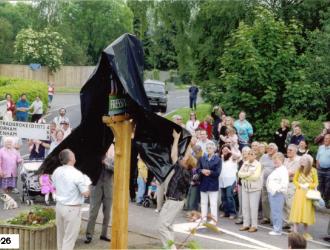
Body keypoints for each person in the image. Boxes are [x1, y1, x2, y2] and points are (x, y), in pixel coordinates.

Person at [158, 130, 196, 249]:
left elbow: (174, 155)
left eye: (185, 158)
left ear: (186, 163)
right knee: (168, 226)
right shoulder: (187, 170)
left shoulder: (182, 170)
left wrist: (176, 139)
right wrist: (189, 145)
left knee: (162, 226)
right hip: (176, 201)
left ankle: (170, 248)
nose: (183, 158)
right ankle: (170, 246)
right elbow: (185, 156)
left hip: (173, 201)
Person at [52, 149, 91, 250]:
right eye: (73, 155)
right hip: (72, 208)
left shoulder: (56, 171)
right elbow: (86, 193)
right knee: (69, 240)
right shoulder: (77, 174)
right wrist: (88, 183)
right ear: (71, 159)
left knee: (60, 237)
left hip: (59, 206)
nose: (75, 156)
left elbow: (54, 186)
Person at [85, 145, 114, 243]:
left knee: (107, 214)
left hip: (108, 189)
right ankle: (89, 235)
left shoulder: (111, 160)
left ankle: (104, 234)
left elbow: (116, 169)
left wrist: (106, 163)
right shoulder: (94, 160)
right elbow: (88, 172)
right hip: (96, 188)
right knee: (93, 212)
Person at [289, 154, 318, 240]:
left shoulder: (313, 170)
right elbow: (294, 180)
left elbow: (316, 183)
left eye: (304, 160)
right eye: (301, 159)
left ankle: (305, 233)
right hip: (299, 193)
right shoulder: (299, 170)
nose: (302, 161)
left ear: (309, 161)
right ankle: (295, 231)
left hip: (308, 194)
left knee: (306, 213)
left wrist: (308, 185)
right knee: (297, 211)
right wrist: (299, 185)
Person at [196, 141, 221, 225]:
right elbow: (197, 169)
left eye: (210, 148)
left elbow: (217, 173)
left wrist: (209, 172)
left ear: (214, 149)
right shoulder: (202, 158)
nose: (208, 149)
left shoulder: (218, 159)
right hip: (203, 183)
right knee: (203, 202)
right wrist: (202, 171)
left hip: (213, 184)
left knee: (213, 203)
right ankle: (203, 218)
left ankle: (214, 220)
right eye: (207, 148)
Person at [238, 149, 262, 232]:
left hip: (254, 189)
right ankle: (246, 224)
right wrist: (248, 174)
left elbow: (255, 177)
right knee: (245, 207)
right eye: (249, 154)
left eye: (252, 154)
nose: (250, 155)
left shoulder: (258, 164)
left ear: (255, 156)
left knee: (253, 207)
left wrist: (245, 176)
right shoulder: (245, 163)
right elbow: (239, 174)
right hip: (245, 188)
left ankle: (254, 225)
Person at [267, 152, 289, 236]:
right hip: (273, 193)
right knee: (275, 211)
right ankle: (276, 228)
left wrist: (276, 190)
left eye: (278, 159)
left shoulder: (283, 170)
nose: (275, 161)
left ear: (282, 160)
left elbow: (284, 184)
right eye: (274, 159)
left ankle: (277, 230)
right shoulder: (277, 169)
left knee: (277, 212)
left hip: (277, 194)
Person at [219, 144, 240, 219]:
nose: (225, 150)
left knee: (229, 196)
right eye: (223, 149)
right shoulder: (221, 158)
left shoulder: (232, 158)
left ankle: (233, 213)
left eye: (226, 149)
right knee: (223, 197)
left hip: (231, 180)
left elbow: (238, 156)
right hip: (222, 180)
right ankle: (226, 212)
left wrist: (230, 151)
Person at [283, 144, 301, 230]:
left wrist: (284, 173)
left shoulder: (298, 160)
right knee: (285, 204)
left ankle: (293, 225)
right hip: (284, 183)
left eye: (290, 150)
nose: (288, 151)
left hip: (292, 183)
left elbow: (292, 172)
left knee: (291, 205)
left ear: (295, 151)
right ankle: (287, 222)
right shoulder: (286, 160)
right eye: (288, 150)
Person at [259, 143, 278, 224]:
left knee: (273, 200)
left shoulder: (278, 157)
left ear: (276, 150)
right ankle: (266, 217)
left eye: (271, 148)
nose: (269, 149)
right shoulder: (264, 156)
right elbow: (260, 166)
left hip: (274, 183)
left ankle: (273, 218)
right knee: (264, 200)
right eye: (268, 148)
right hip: (264, 181)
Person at [235, 147, 251, 225]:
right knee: (241, 202)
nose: (244, 153)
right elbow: (237, 173)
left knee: (248, 202)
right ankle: (241, 217)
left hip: (248, 184)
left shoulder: (251, 162)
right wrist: (236, 184)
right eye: (243, 151)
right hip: (240, 184)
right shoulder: (240, 161)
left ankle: (247, 218)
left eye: (246, 151)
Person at [316, 133, 330, 208]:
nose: (325, 140)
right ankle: (318, 201)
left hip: (329, 170)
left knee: (328, 187)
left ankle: (326, 201)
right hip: (320, 169)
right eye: (325, 138)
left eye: (327, 138)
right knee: (319, 185)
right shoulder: (321, 147)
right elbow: (317, 158)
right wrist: (318, 167)